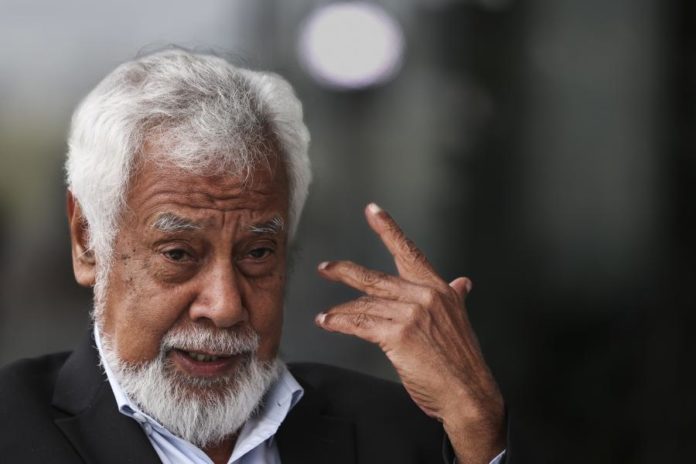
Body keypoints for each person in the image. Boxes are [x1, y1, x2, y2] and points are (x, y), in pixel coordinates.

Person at [0, 48, 507, 464]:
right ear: (88, 241)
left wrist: (478, 425)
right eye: (179, 253)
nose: (225, 306)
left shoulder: (411, 434)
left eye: (258, 252)